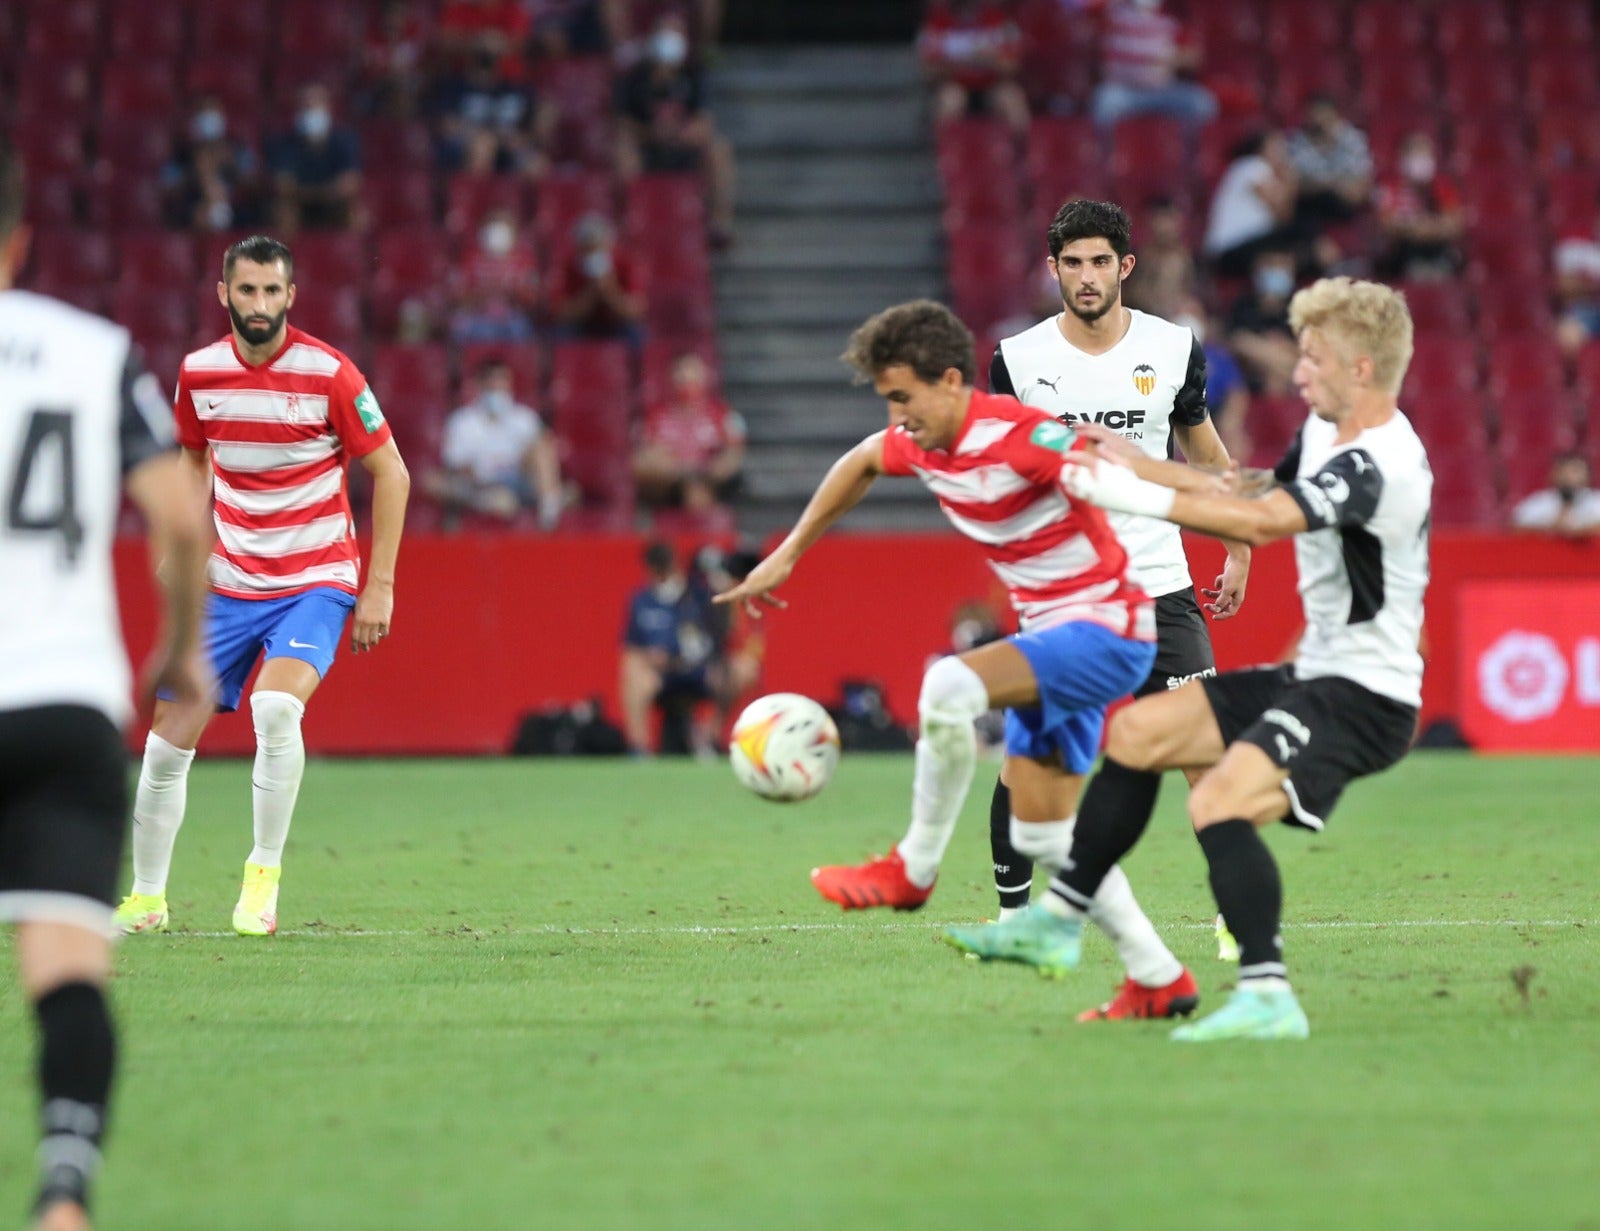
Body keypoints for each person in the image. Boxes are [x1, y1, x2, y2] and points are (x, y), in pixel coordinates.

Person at [946, 277, 1430, 1042]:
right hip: (1317, 673)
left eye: (1313, 358)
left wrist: (1130, 490)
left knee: (1218, 800)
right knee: (1137, 737)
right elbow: (1246, 483)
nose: (1296, 372)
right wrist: (1134, 460)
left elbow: (1266, 518)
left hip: (1364, 695)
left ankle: (1266, 990)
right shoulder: (1325, 437)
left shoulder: (1380, 460)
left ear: (1361, 368)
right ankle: (1064, 924)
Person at [715, 300, 1224, 995]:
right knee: (1044, 835)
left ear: (952, 381)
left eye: (904, 397)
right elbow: (861, 460)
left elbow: (1134, 483)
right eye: (888, 399)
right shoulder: (920, 440)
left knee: (946, 687)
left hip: (1113, 628)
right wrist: (788, 554)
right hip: (1057, 638)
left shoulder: (1020, 438)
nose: (897, 416)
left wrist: (1240, 504)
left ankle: (914, 868)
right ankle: (1158, 978)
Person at [0, 141, 212, 1231]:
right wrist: (181, 651)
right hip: (62, 701)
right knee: (67, 964)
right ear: (21, 237)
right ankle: (65, 1193)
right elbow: (179, 518)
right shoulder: (93, 350)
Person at [984, 198, 1251, 1018]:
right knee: (1035, 754)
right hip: (1065, 589)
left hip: (1162, 584)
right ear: (1053, 269)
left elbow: (1204, 453)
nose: (1088, 277)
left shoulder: (1172, 349)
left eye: (1102, 262)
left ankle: (1237, 915)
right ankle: (1013, 911)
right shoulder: (1017, 361)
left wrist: (1237, 544)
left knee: (1204, 752)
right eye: (1073, 263)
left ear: (1125, 266)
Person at [112, 235, 411, 938]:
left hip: (315, 577)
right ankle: (148, 898)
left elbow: (392, 472)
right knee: (161, 746)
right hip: (229, 581)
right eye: (246, 290)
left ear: (291, 296)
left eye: (272, 291)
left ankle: (262, 876)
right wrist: (186, 543)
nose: (259, 304)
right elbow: (193, 463)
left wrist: (380, 586)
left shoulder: (331, 372)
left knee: (276, 710)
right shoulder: (199, 374)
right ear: (224, 293)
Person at [612, 11, 736, 246]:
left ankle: (718, 223)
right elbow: (621, 123)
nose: (668, 38)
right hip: (647, 149)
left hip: (683, 148)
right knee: (622, 152)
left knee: (718, 150)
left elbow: (704, 122)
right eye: (663, 31)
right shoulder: (634, 78)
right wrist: (651, 133)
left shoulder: (695, 74)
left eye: (675, 32)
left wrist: (679, 134)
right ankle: (629, 222)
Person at [425, 356, 564, 529]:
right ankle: (490, 501)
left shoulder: (524, 418)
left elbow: (541, 457)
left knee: (543, 446)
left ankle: (549, 512)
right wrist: (479, 475)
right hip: (479, 484)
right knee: (432, 481)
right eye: (492, 384)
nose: (498, 388)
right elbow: (455, 464)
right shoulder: (462, 421)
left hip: (518, 480)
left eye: (502, 382)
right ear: (480, 386)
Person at [619, 540, 722, 756]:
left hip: (699, 670)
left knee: (738, 671)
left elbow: (718, 639)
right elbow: (631, 649)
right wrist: (650, 659)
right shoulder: (642, 601)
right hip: (660, 675)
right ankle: (640, 748)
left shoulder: (700, 595)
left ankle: (708, 740)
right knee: (634, 672)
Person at [631, 351, 745, 516]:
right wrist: (681, 473)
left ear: (705, 375)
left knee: (701, 488)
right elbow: (642, 458)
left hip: (710, 482)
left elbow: (735, 452)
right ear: (670, 377)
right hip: (670, 484)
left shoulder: (723, 414)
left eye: (691, 370)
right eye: (680, 370)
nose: (685, 376)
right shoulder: (653, 416)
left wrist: (708, 474)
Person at [1090, 0, 1217, 137]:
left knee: (1202, 103)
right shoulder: (1114, 13)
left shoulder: (1171, 18)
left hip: (1164, 90)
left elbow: (1194, 57)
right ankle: (1103, 156)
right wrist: (1148, 58)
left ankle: (1195, 156)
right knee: (1105, 101)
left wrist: (1171, 58)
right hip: (1125, 91)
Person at [917, 0, 1030, 138]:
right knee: (950, 101)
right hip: (955, 85)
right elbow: (929, 71)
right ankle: (947, 154)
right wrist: (969, 60)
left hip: (992, 85)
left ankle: (1019, 156)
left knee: (1012, 100)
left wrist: (984, 60)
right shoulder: (936, 23)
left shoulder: (1000, 20)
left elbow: (1012, 65)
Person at [267, 84, 364, 231]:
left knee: (357, 213)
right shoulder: (283, 142)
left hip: (332, 204)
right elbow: (283, 187)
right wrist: (324, 192)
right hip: (298, 204)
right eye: (306, 107)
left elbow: (350, 184)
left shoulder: (345, 140)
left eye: (316, 106)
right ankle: (289, 253)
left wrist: (312, 192)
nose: (311, 112)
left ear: (328, 108)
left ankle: (354, 252)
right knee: (283, 211)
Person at [161, 95, 264, 233]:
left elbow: (254, 184)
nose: (208, 116)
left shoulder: (238, 149)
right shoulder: (181, 155)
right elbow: (168, 189)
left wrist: (231, 168)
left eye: (212, 110)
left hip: (237, 212)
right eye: (202, 111)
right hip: (194, 211)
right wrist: (196, 172)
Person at [1203, 130, 1297, 279]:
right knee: (1297, 236)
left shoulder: (1266, 173)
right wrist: (1290, 179)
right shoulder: (1251, 165)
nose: (1283, 152)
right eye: (1276, 146)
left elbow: (1284, 217)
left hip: (1250, 243)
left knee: (1292, 248)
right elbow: (1280, 208)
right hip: (1231, 247)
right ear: (1261, 149)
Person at [1374, 131, 1464, 282]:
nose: (1422, 160)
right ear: (1404, 157)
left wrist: (1426, 228)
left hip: (1438, 251)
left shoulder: (1443, 186)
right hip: (1404, 253)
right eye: (1417, 154)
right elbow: (1386, 224)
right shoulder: (1390, 187)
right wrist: (1416, 228)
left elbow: (1455, 223)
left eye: (1426, 154)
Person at [550, 212, 647, 346]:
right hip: (581, 324)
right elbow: (562, 313)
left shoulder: (626, 264)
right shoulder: (569, 266)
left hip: (615, 323)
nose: (593, 254)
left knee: (635, 334)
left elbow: (634, 311)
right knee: (562, 333)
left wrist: (609, 289)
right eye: (587, 248)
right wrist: (590, 292)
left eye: (598, 247)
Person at [448, 207, 542, 344]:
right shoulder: (468, 258)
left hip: (512, 321)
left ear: (513, 231)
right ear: (482, 229)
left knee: (523, 328)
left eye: (503, 225)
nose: (497, 230)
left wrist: (511, 294)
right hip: (477, 319)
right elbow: (457, 298)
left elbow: (532, 301)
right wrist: (482, 294)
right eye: (493, 223)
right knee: (459, 325)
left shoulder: (525, 259)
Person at [1286, 93, 1373, 230]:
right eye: (1314, 114)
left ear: (1335, 114)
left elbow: (1361, 183)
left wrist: (1336, 187)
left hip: (1344, 205)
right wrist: (1333, 185)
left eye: (1324, 113)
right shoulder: (1296, 143)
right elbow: (1295, 185)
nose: (1319, 119)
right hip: (1309, 205)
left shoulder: (1353, 138)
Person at [1227, 248, 1301, 394]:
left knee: (1275, 380)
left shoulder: (1299, 307)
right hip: (1252, 376)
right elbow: (1238, 343)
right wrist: (1275, 349)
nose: (1277, 270)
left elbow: (1308, 352)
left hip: (1285, 378)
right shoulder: (1243, 305)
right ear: (1257, 270)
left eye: (1283, 265)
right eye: (1271, 265)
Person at [1509, 451, 1600, 536]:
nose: (1569, 476)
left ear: (1587, 475)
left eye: (1575, 471)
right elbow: (1515, 527)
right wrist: (1551, 527)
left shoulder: (1596, 501)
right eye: (1564, 471)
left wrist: (1581, 531)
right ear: (1554, 474)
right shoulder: (1540, 501)